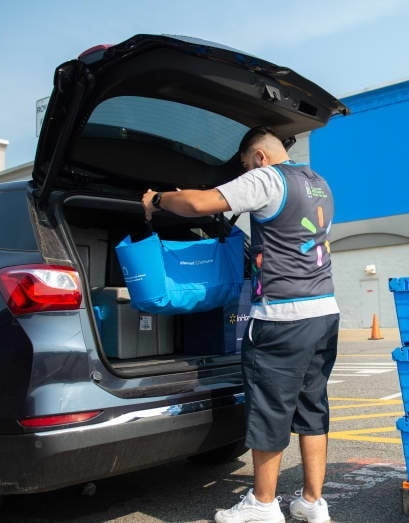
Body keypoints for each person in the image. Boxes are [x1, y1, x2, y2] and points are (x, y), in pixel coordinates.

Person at [141, 127, 338, 523]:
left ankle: (263, 505)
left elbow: (200, 204)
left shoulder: (266, 177)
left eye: (246, 164)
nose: (246, 171)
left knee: (269, 409)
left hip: (282, 317)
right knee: (312, 407)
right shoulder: (318, 182)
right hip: (323, 312)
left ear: (260, 157)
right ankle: (312, 503)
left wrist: (157, 198)